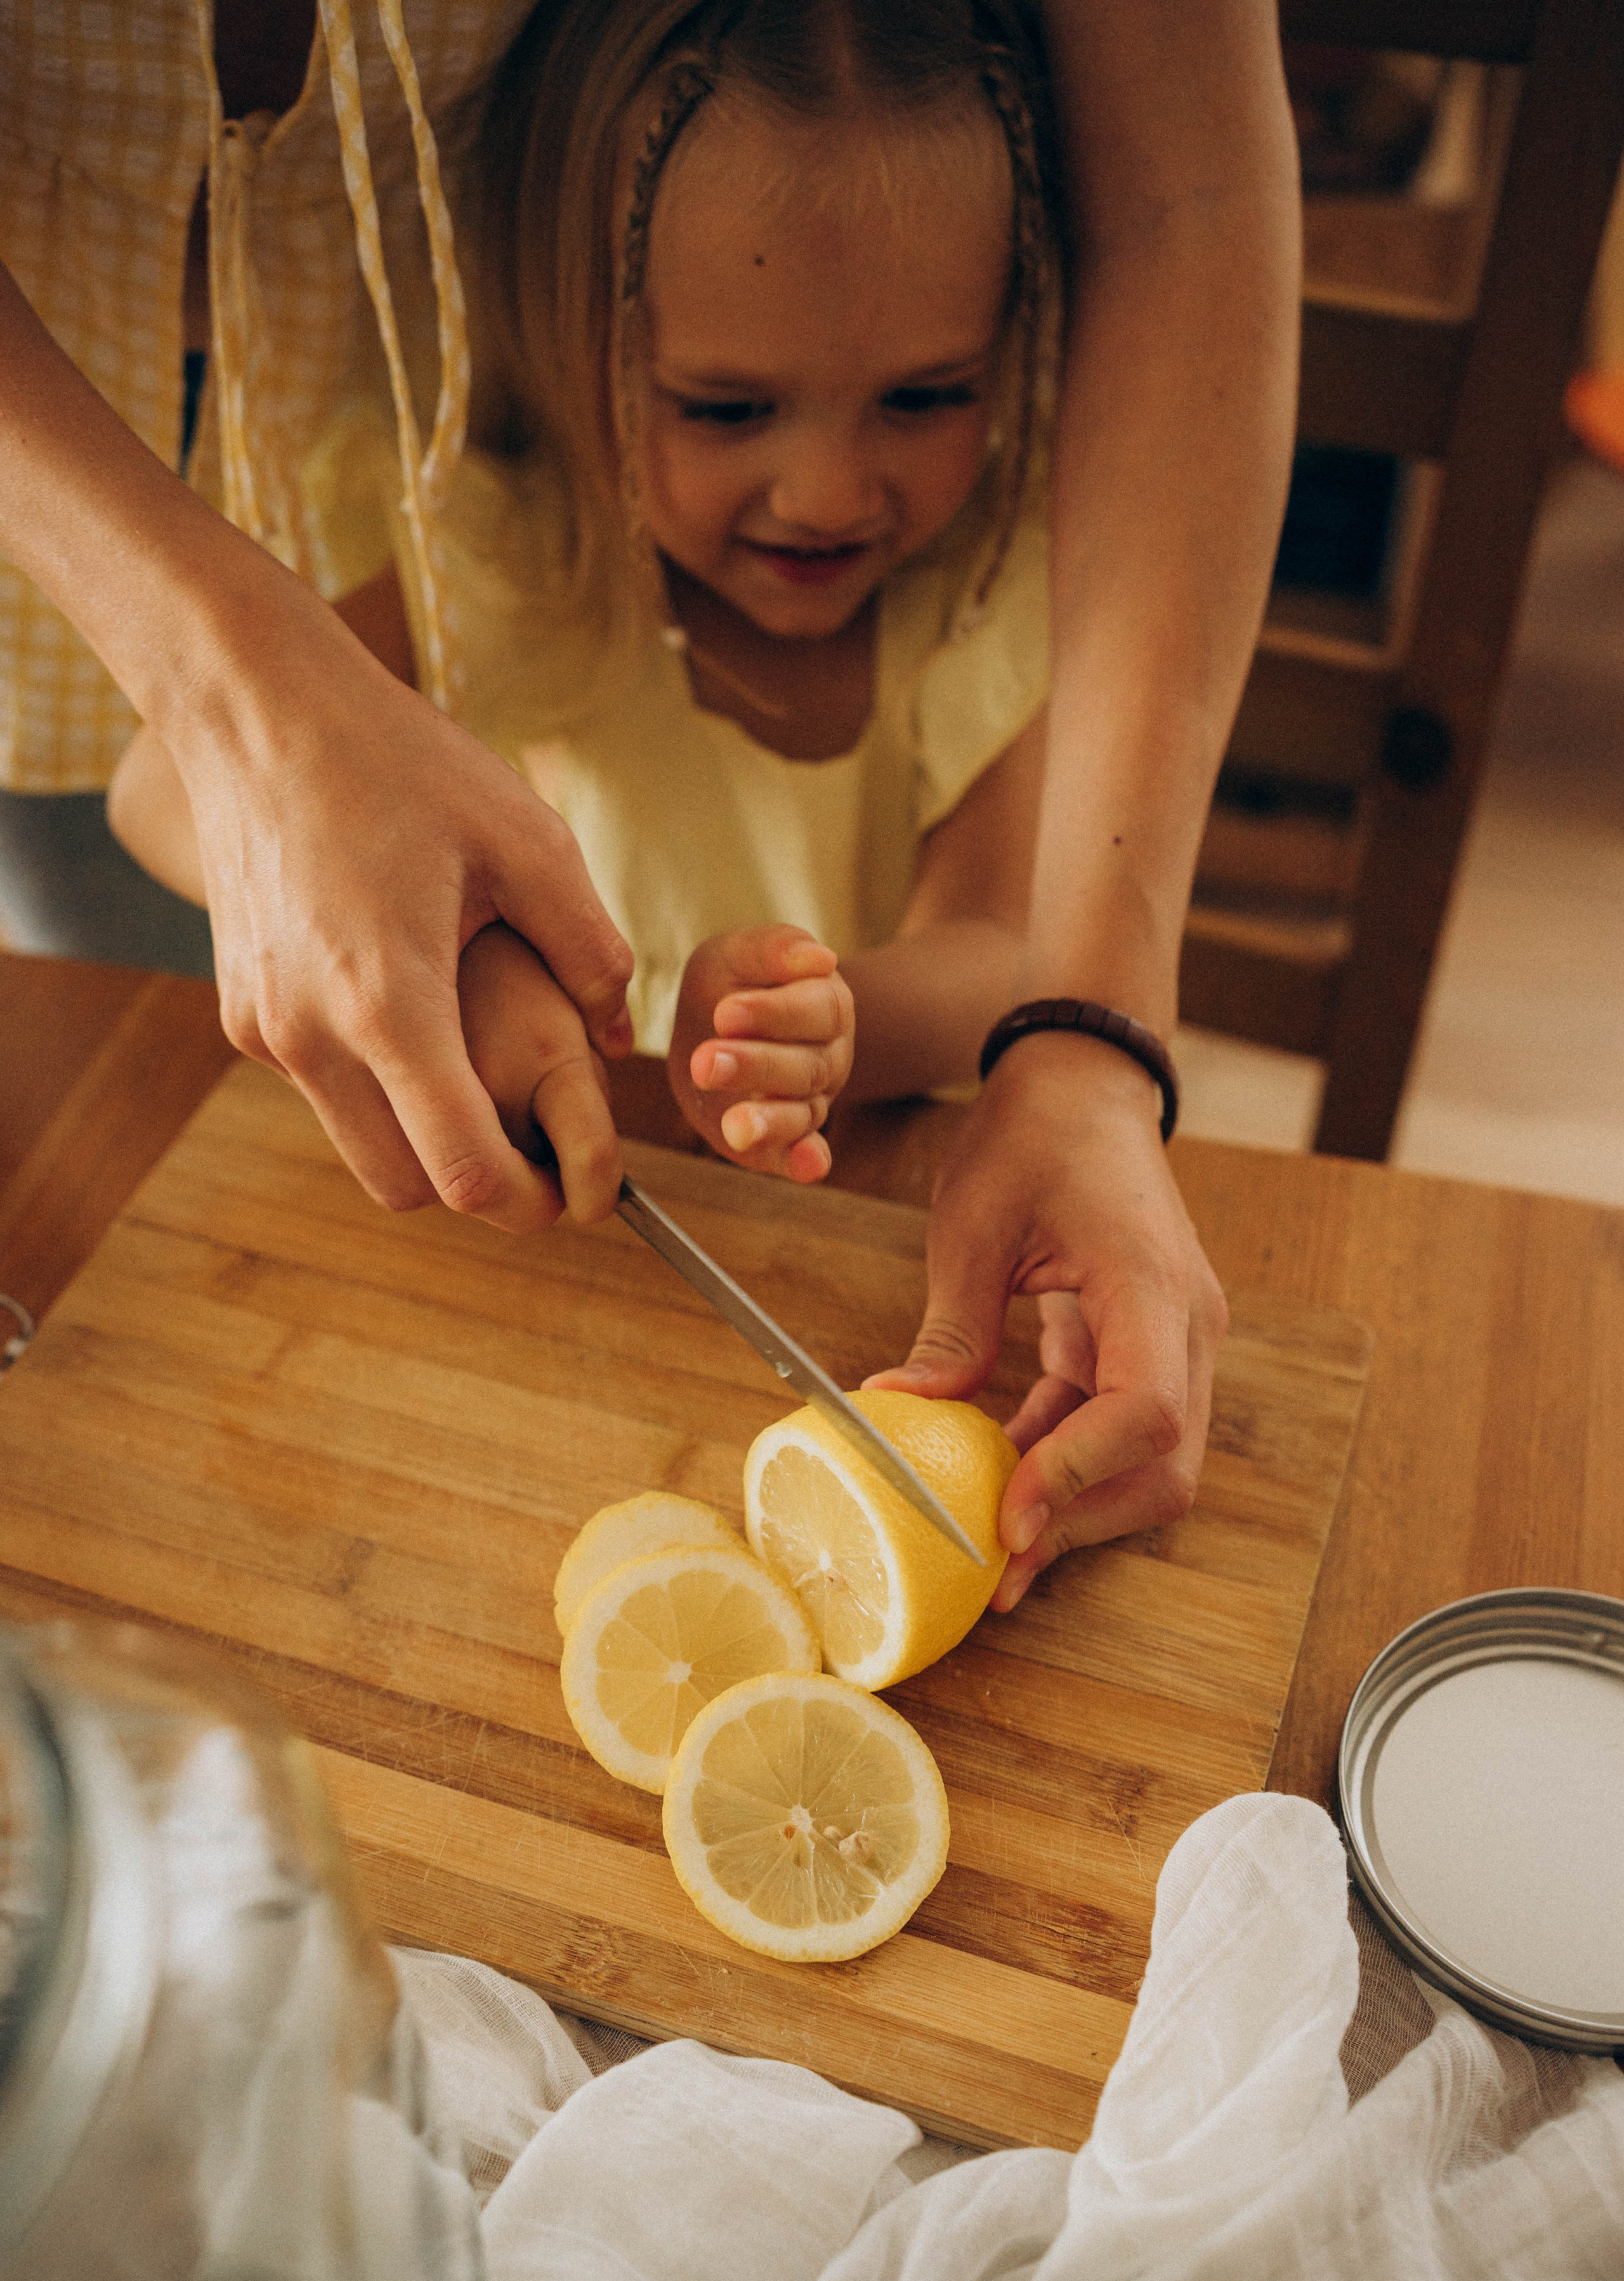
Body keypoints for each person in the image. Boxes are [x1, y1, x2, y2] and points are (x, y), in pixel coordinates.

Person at [0, 1, 1297, 1603]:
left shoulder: (1001, 597)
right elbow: (157, 789)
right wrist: (438, 940)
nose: (828, 491)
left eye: (924, 395)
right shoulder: (492, 548)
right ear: (574, 344)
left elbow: (1003, 952)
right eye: (727, 409)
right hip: (543, 1298)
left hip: (873, 1259)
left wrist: (818, 1031)